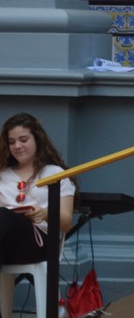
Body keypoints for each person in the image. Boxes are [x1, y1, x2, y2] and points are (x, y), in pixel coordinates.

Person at [1, 114, 74, 276]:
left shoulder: (55, 174)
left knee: (3, 216)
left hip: (39, 244)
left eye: (23, 140)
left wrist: (45, 213)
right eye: (11, 142)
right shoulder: (2, 175)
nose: (17, 146)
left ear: (37, 139)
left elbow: (67, 223)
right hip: (5, 244)